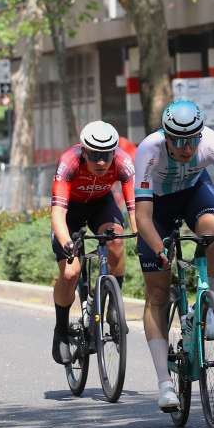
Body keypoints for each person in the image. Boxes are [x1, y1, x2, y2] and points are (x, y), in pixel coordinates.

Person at [133, 100, 214, 412]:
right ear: (166, 136)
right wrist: (159, 249)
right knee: (157, 293)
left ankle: (209, 306)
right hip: (156, 207)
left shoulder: (213, 143)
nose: (187, 148)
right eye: (178, 141)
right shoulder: (149, 150)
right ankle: (164, 383)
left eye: (192, 140)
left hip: (193, 193)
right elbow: (142, 217)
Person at [50, 121, 136, 366]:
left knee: (116, 241)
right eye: (95, 155)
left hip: (101, 205)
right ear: (84, 151)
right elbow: (58, 213)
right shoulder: (69, 162)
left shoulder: (123, 162)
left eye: (106, 156)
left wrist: (141, 234)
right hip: (71, 210)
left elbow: (135, 209)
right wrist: (67, 242)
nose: (101, 162)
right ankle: (61, 330)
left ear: (114, 153)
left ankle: (112, 306)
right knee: (70, 272)